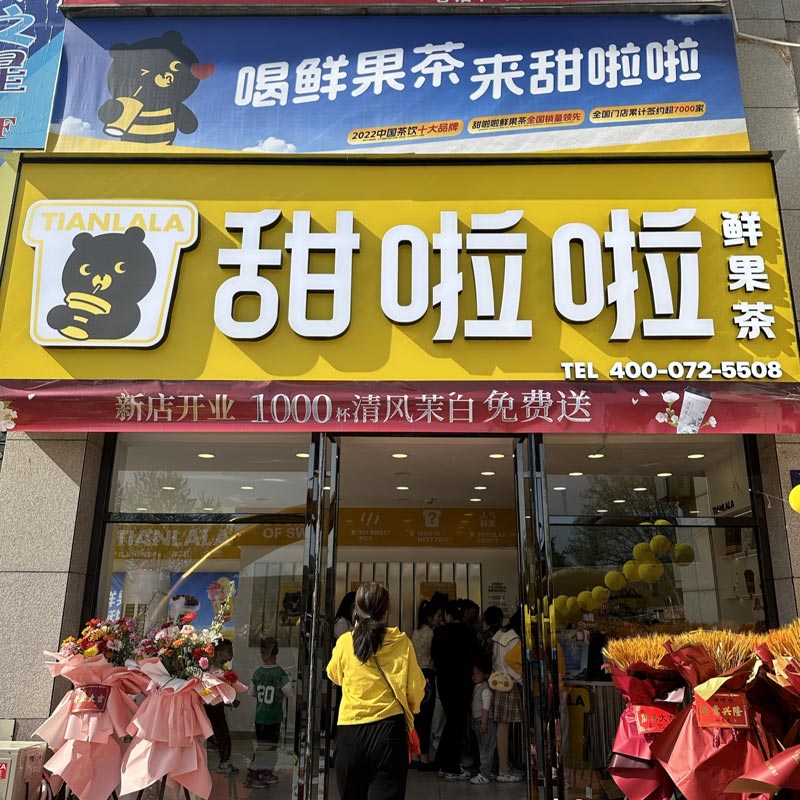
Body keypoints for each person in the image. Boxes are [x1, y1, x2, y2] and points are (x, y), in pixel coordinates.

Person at [327, 581, 425, 800]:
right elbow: (416, 690)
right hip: (389, 733)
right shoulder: (402, 643)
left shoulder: (345, 642)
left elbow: (334, 675)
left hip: (350, 733)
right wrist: (412, 710)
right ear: (386, 612)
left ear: (355, 611)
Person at [431, 600, 481, 781]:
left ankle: (444, 763)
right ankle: (450, 767)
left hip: (444, 683)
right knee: (457, 724)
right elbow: (477, 656)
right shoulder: (468, 633)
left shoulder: (439, 633)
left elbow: (434, 656)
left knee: (452, 722)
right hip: (462, 684)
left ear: (448, 615)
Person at [244, 636, 292, 789]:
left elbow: (252, 692)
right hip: (274, 717)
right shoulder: (280, 673)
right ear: (276, 652)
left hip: (260, 717)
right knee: (270, 748)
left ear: (264, 654)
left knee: (263, 747)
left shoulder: (257, 673)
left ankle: (263, 773)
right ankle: (255, 774)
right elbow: (289, 692)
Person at [491, 609, 524, 783]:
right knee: (503, 728)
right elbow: (512, 665)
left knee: (502, 727)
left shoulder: (501, 634)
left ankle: (505, 765)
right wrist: (522, 679)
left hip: (497, 681)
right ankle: (503, 769)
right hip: (508, 684)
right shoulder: (515, 639)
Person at [411, 601, 441, 769]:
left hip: (416, 676)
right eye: (437, 616)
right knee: (426, 717)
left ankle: (415, 754)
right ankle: (424, 757)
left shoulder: (416, 631)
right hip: (428, 674)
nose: (439, 619)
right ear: (430, 617)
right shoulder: (432, 633)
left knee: (417, 716)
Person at [205, 638, 238, 774]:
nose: (232, 654)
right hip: (210, 705)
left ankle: (224, 760)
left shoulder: (221, 669)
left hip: (216, 704)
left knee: (221, 731)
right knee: (220, 732)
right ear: (218, 653)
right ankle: (224, 761)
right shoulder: (211, 670)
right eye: (229, 651)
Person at [469, 656, 496, 785]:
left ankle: (485, 773)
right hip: (478, 722)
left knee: (486, 749)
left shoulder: (485, 689)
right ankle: (488, 770)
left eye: (478, 673)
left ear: (485, 674)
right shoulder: (477, 687)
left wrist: (484, 723)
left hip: (484, 722)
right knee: (483, 748)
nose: (475, 676)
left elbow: (486, 708)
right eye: (473, 673)